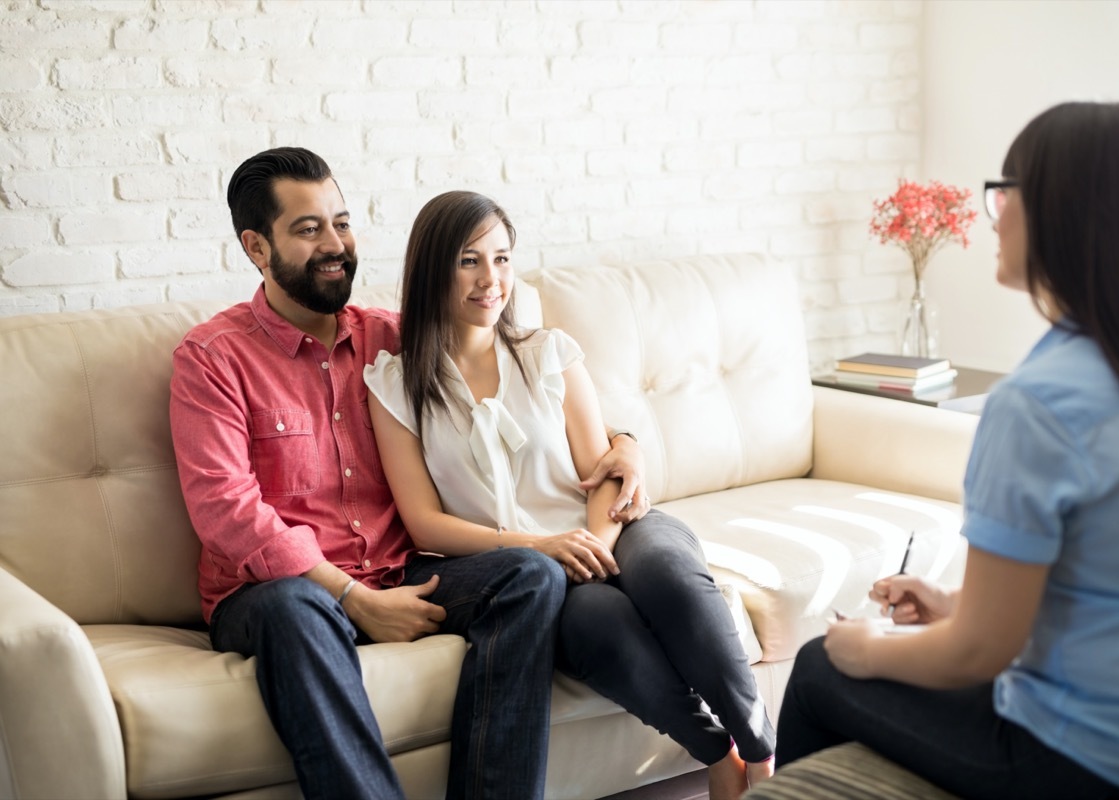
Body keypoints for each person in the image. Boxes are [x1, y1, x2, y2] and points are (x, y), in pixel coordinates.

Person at [169, 147, 651, 800]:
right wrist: (354, 599)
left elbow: (524, 376)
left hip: (401, 569)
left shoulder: (393, 339)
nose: (336, 244)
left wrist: (626, 443)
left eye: (341, 222)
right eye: (309, 229)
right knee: (295, 609)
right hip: (280, 593)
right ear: (257, 247)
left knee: (530, 574)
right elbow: (226, 509)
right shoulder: (213, 359)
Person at [774, 101, 1119, 800]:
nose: (993, 213)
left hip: (1073, 763)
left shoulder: (1038, 403)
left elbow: (981, 652)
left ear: (1067, 216)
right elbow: (1110, 586)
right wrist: (952, 603)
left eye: (1008, 192)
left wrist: (871, 649)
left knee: (823, 665)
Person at [362, 190, 777, 800]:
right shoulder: (395, 387)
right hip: (521, 562)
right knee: (597, 625)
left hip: (613, 525)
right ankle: (718, 754)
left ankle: (764, 754)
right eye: (469, 261)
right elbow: (424, 524)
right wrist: (545, 550)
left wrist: (590, 549)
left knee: (666, 575)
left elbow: (603, 467)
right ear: (432, 269)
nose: (491, 279)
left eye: (502, 259)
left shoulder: (547, 352)